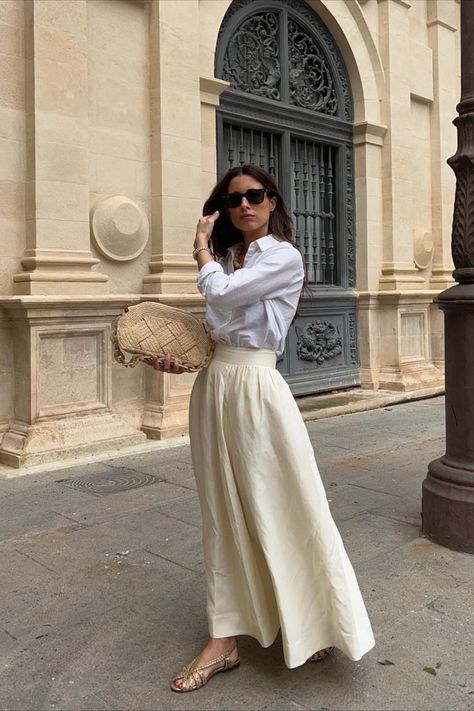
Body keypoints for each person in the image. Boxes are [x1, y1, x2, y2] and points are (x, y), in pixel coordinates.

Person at [146, 164, 375, 693]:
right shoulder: (229, 260)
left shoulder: (283, 256)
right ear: (224, 209)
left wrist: (199, 247)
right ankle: (223, 639)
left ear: (272, 202)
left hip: (257, 390)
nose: (245, 205)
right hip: (214, 387)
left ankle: (312, 619)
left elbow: (224, 296)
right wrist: (180, 360)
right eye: (233, 200)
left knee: (285, 502)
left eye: (255, 196)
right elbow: (214, 327)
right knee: (222, 510)